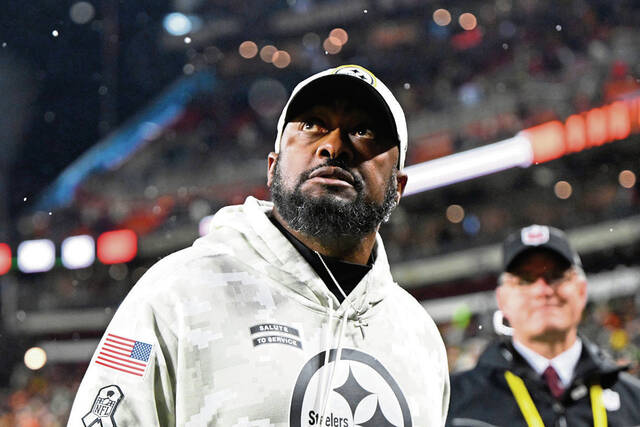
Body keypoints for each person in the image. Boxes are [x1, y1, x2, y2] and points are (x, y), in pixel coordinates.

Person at [67, 65, 450, 426]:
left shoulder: (419, 336)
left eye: (364, 131)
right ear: (272, 167)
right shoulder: (174, 293)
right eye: (312, 125)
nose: (334, 146)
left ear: (398, 188)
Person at [447, 224, 640, 427]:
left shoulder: (635, 402)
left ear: (582, 291)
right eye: (524, 279)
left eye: (555, 276)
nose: (542, 290)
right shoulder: (453, 403)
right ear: (502, 301)